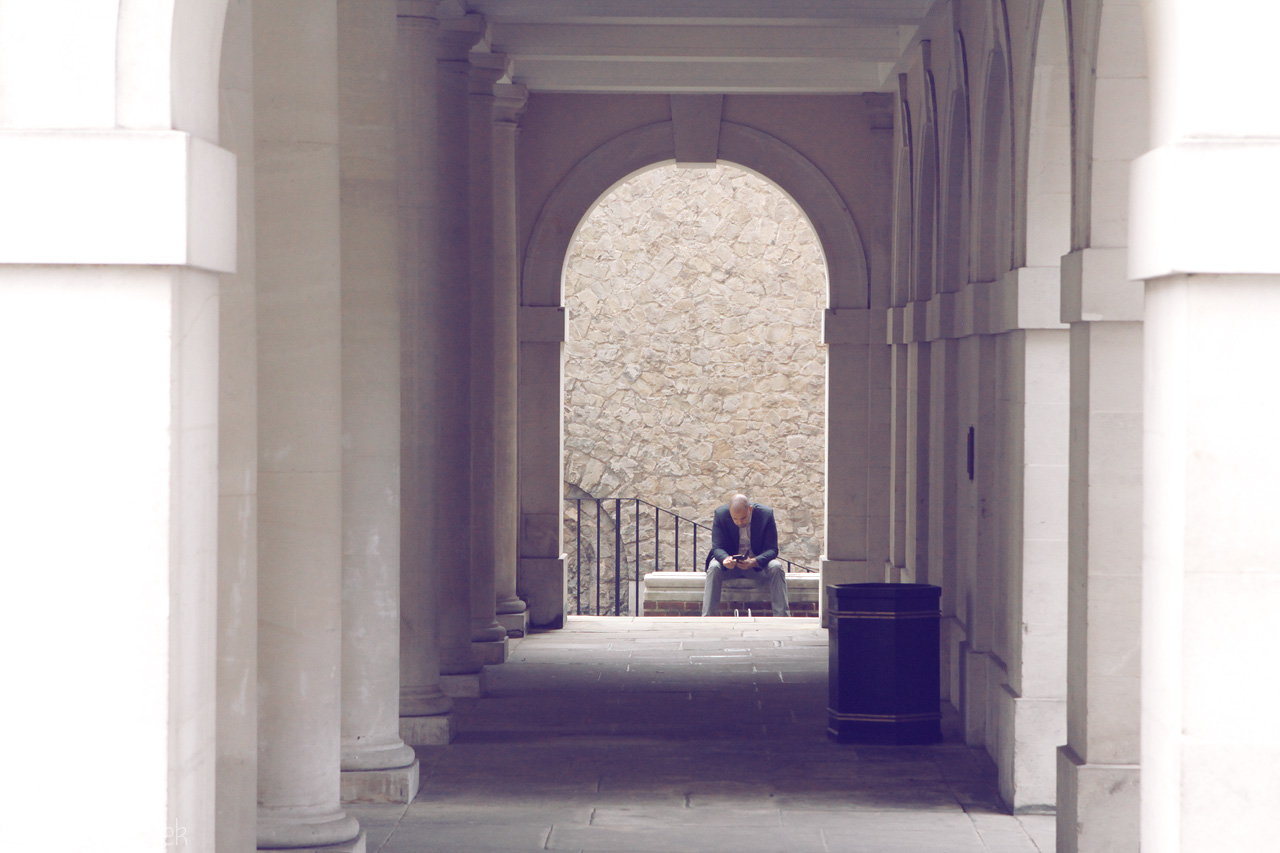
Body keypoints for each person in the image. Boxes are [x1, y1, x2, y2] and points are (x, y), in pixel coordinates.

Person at [702, 494, 791, 617]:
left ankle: (782, 617)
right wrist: (725, 559)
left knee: (776, 567)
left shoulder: (766, 514)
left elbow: (772, 549)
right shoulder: (720, 514)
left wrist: (754, 561)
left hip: (756, 566)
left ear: (750, 509)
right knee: (713, 567)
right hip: (730, 566)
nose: (739, 522)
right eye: (735, 519)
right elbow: (717, 547)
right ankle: (708, 617)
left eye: (743, 518)